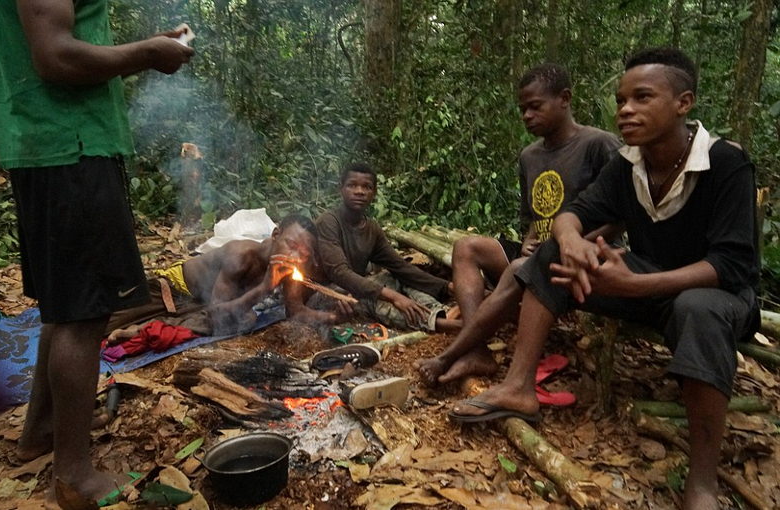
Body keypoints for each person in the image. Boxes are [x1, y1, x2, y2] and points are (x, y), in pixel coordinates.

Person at [449, 47, 759, 510]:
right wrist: (570, 239)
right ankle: (518, 387)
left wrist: (633, 285)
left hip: (719, 297)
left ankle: (701, 482)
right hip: (650, 283)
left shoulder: (725, 164)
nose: (626, 109)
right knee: (555, 254)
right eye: (620, 99)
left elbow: (733, 266)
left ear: (683, 102)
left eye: (642, 97)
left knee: (697, 307)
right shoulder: (628, 164)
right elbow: (576, 213)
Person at [0, 0, 194, 505]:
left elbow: (63, 36)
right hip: (68, 144)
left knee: (66, 307)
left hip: (51, 141)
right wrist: (147, 52)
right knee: (87, 314)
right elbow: (55, 56)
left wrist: (149, 46)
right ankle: (74, 475)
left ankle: (41, 431)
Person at [417, 64, 620, 385]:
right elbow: (534, 216)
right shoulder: (529, 156)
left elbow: (620, 216)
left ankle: (455, 353)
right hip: (537, 255)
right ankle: (477, 349)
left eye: (535, 106)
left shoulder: (599, 144)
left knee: (518, 269)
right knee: (467, 247)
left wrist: (575, 245)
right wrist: (528, 239)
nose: (526, 115)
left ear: (565, 99)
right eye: (522, 109)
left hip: (586, 254)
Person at [105, 214, 350, 337]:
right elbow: (216, 315)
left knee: (247, 320)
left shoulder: (288, 266)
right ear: (276, 234)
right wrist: (264, 288)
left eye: (303, 253)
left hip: (206, 303)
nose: (296, 256)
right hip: (174, 290)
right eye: (291, 244)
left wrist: (332, 316)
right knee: (102, 325)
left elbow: (294, 310)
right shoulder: (241, 256)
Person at [316, 163, 460, 333]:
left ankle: (438, 310)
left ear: (374, 193)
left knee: (397, 277)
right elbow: (339, 272)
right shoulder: (329, 222)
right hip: (329, 294)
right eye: (352, 185)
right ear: (341, 189)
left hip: (357, 288)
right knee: (372, 297)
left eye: (366, 187)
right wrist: (394, 297)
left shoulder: (372, 228)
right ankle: (446, 325)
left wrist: (448, 287)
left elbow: (400, 267)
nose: (359, 191)